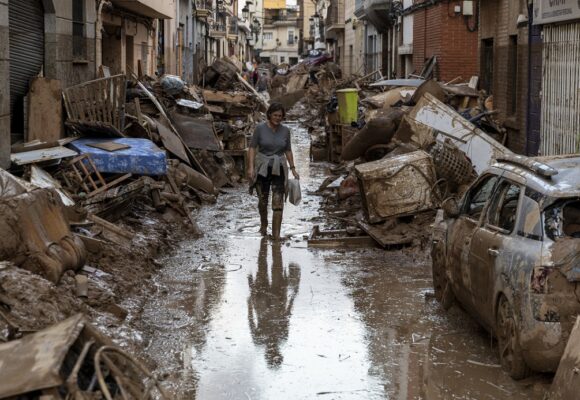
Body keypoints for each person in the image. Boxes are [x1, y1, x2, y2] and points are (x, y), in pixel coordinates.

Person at [248, 103, 299, 240]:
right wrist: (251, 167)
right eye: (275, 115)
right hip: (262, 168)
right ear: (269, 114)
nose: (277, 118)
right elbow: (252, 148)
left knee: (278, 202)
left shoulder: (285, 131)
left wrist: (293, 168)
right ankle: (264, 224)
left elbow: (288, 150)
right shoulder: (260, 129)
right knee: (263, 200)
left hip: (279, 168)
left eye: (280, 116)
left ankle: (276, 235)